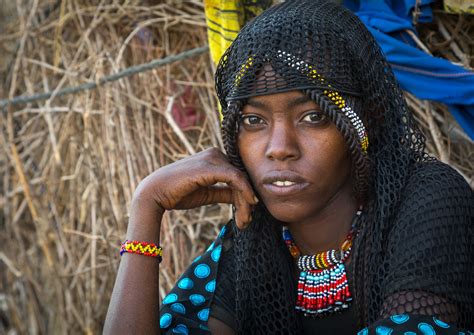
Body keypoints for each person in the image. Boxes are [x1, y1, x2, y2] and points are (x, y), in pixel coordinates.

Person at [103, 1, 474, 334]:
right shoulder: (251, 243)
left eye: (313, 116)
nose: (279, 149)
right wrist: (146, 206)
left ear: (366, 121)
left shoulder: (428, 201)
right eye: (253, 121)